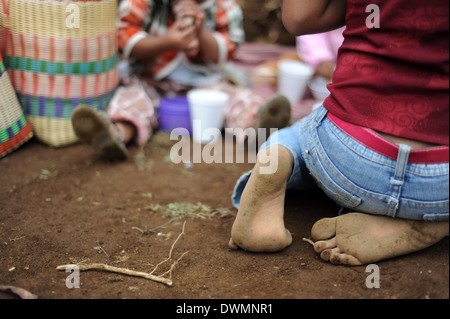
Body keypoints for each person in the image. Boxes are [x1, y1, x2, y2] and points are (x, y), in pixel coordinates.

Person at [228, 0, 449, 266]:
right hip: (439, 182)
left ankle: (280, 158)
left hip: (347, 154)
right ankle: (422, 219)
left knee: (300, 134)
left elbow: (299, 18)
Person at [71, 0, 291, 161]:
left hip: (203, 85)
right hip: (151, 81)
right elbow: (125, 41)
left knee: (237, 99)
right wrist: (167, 42)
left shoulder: (224, 6)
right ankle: (115, 134)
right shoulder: (142, 3)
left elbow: (226, 53)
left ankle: (257, 129)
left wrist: (201, 31)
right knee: (132, 99)